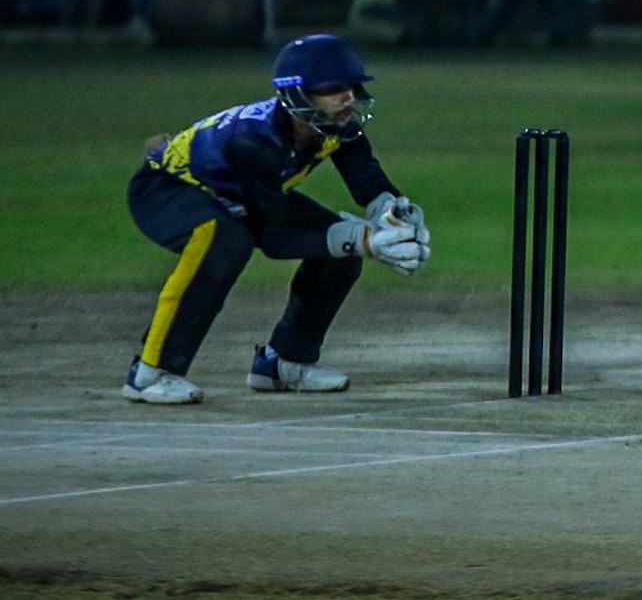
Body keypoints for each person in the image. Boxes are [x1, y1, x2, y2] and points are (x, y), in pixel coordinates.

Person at [122, 34, 432, 404]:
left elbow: (367, 180)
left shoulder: (337, 126)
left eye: (351, 86)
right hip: (169, 189)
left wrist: (398, 219)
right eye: (332, 89)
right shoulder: (255, 141)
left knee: (339, 253)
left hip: (247, 191)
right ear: (296, 93)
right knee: (223, 241)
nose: (348, 97)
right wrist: (367, 240)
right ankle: (149, 372)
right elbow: (274, 236)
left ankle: (284, 363)